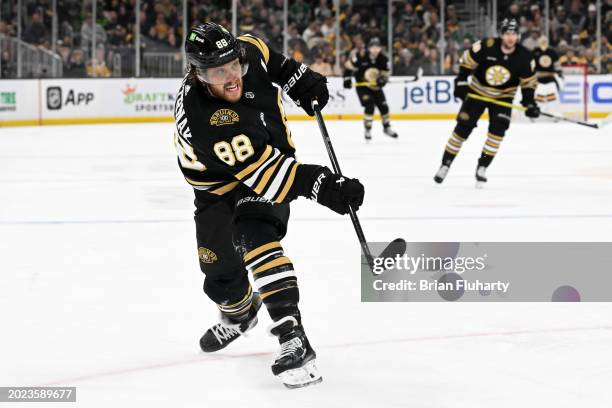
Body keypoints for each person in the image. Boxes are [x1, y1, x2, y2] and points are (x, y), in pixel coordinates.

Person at [173, 23, 365, 388]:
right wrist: (323, 185)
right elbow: (270, 177)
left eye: (233, 65)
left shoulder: (248, 50)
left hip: (269, 157)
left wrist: (299, 79)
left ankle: (293, 337)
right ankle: (240, 315)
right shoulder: (206, 118)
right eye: (217, 72)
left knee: (253, 232)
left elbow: (275, 63)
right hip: (216, 186)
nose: (231, 78)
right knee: (220, 278)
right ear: (197, 74)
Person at [433, 18, 540, 187]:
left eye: (514, 34)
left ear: (518, 35)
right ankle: (445, 164)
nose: (510, 37)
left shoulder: (525, 57)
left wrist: (530, 103)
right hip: (477, 93)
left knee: (497, 133)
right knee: (462, 129)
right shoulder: (486, 46)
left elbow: (528, 83)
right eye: (507, 33)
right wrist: (461, 81)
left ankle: (482, 167)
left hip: (503, 98)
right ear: (501, 34)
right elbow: (467, 62)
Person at [343, 37, 399, 141]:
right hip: (362, 86)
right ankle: (367, 129)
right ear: (369, 48)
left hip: (375, 87)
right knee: (370, 105)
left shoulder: (383, 59)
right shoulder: (360, 56)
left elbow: (385, 75)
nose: (375, 50)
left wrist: (382, 80)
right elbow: (348, 67)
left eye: (377, 47)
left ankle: (387, 127)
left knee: (384, 107)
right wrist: (347, 79)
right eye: (373, 47)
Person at [532, 36, 562, 116]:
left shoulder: (552, 52)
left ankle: (554, 113)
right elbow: (531, 64)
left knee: (552, 97)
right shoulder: (535, 52)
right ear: (538, 42)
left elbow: (557, 64)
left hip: (550, 78)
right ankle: (537, 112)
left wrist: (559, 72)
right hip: (538, 78)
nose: (543, 43)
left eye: (545, 41)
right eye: (542, 41)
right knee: (538, 97)